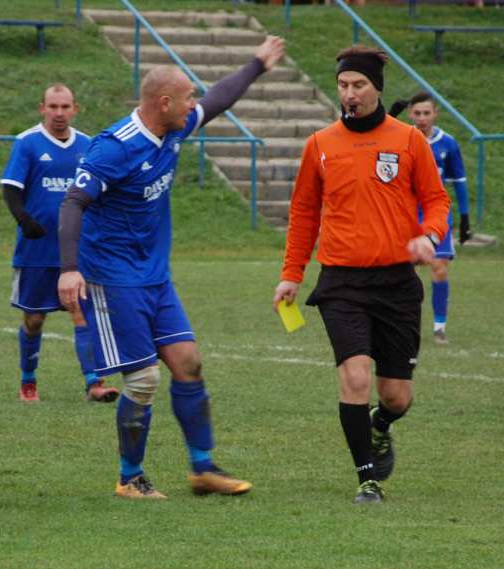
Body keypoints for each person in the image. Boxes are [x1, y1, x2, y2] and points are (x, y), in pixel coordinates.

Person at [57, 36, 286, 499]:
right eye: (187, 97)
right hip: (112, 276)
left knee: (188, 363)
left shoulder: (174, 128)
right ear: (164, 102)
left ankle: (203, 468)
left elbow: (219, 99)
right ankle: (130, 476)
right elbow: (73, 202)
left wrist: (257, 64)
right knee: (143, 380)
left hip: (155, 276)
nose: (194, 104)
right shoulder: (113, 148)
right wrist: (68, 268)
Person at [272, 46, 450, 503]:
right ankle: (366, 479)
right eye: (343, 85)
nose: (349, 94)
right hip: (342, 283)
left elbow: (436, 201)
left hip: (396, 285)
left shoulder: (408, 140)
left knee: (397, 398)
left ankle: (381, 425)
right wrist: (292, 274)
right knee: (354, 377)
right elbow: (304, 214)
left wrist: (429, 234)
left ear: (376, 89)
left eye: (359, 85)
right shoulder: (320, 145)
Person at [1, 84, 119, 403]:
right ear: (42, 108)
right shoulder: (27, 143)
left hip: (77, 251)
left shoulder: (88, 145)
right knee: (34, 320)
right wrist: (25, 221)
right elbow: (10, 189)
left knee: (81, 313)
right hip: (36, 252)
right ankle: (28, 381)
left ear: (75, 109)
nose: (59, 113)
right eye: (53, 107)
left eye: (65, 107)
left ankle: (95, 383)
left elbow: (100, 193)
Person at [389, 92, 471, 345]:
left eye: (427, 113)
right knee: (401, 272)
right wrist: (390, 116)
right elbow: (377, 142)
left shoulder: (448, 143)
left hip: (436, 214)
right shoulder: (401, 138)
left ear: (436, 114)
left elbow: (459, 182)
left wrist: (465, 216)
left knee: (439, 267)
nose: (422, 118)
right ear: (411, 114)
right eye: (417, 113)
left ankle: (439, 327)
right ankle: (399, 323)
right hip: (407, 214)